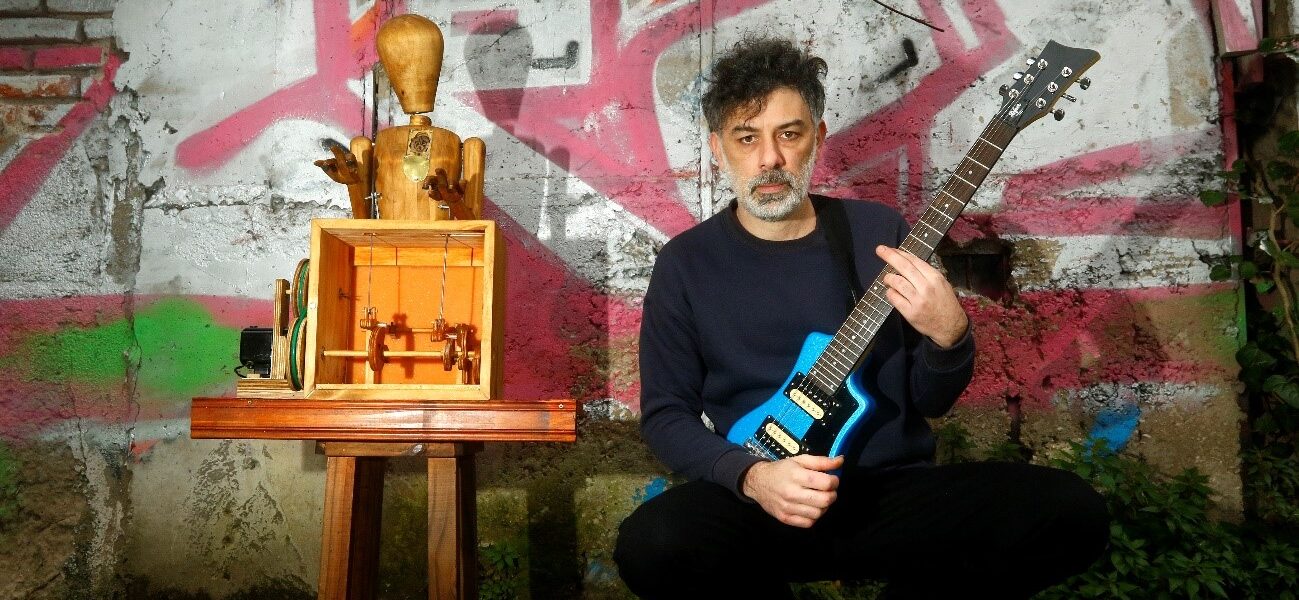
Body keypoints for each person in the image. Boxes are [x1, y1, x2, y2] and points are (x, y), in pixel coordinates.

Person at [613, 36, 1109, 599]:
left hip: (888, 495)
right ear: (718, 148)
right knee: (653, 544)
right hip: (764, 495)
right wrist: (750, 476)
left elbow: (930, 401)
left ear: (818, 137)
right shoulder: (686, 264)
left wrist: (950, 337)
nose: (769, 159)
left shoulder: (880, 233)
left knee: (1070, 513)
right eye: (747, 138)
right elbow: (666, 415)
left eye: (789, 134)